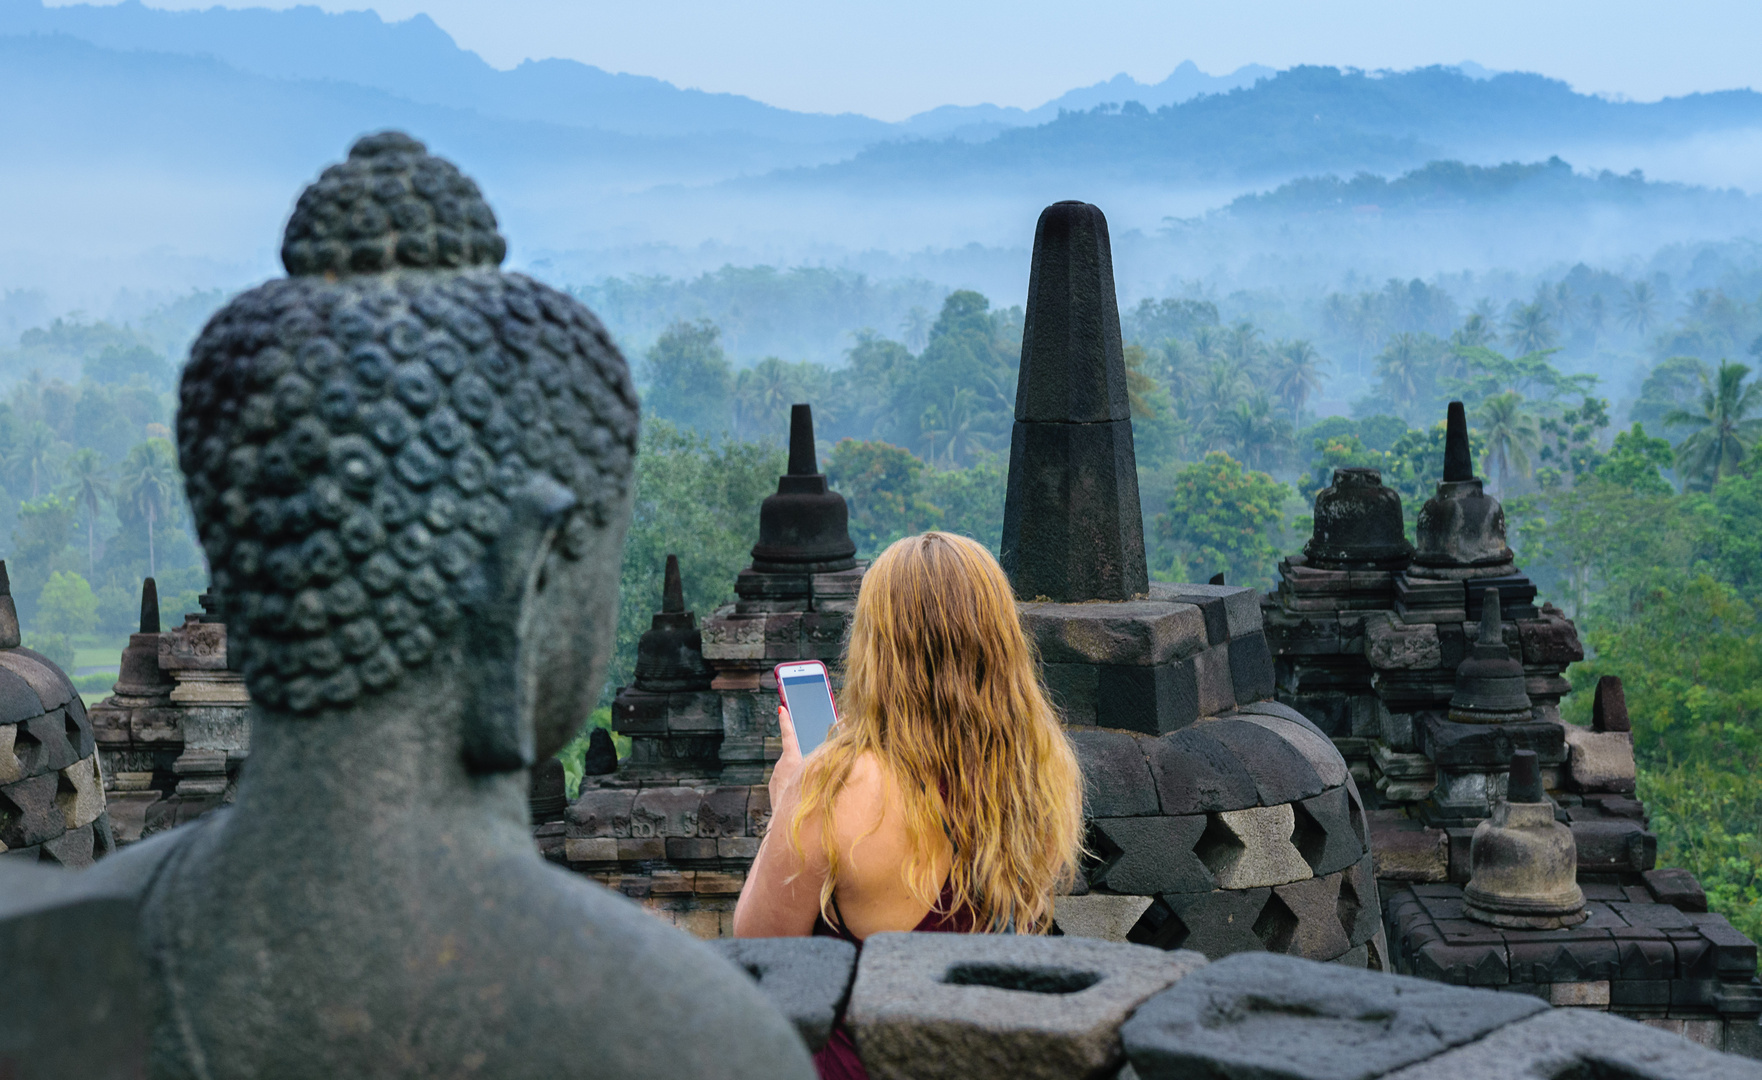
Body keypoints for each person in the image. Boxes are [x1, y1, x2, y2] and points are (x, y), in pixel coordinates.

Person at [733, 531, 1084, 1079]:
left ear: (874, 646)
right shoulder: (1035, 769)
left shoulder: (835, 785)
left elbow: (758, 951)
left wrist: (789, 801)